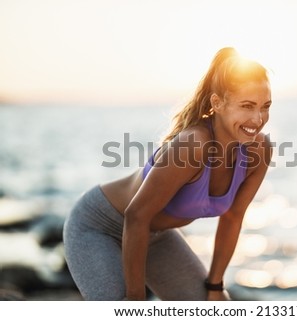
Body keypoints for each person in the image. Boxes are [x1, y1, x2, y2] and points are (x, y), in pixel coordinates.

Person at [63, 47, 273, 301]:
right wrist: (135, 296)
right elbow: (136, 215)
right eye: (247, 106)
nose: (258, 118)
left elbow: (232, 217)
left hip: (155, 237)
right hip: (100, 226)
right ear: (217, 103)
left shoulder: (259, 151)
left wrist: (215, 286)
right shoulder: (193, 145)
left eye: (265, 107)